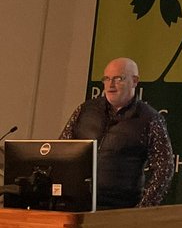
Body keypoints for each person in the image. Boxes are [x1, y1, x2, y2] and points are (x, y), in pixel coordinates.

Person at [60, 57, 173, 208]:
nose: (111, 85)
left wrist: (143, 208)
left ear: (134, 81)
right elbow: (61, 151)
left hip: (119, 209)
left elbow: (164, 167)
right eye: (106, 79)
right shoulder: (85, 110)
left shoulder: (150, 119)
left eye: (118, 78)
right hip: (77, 205)